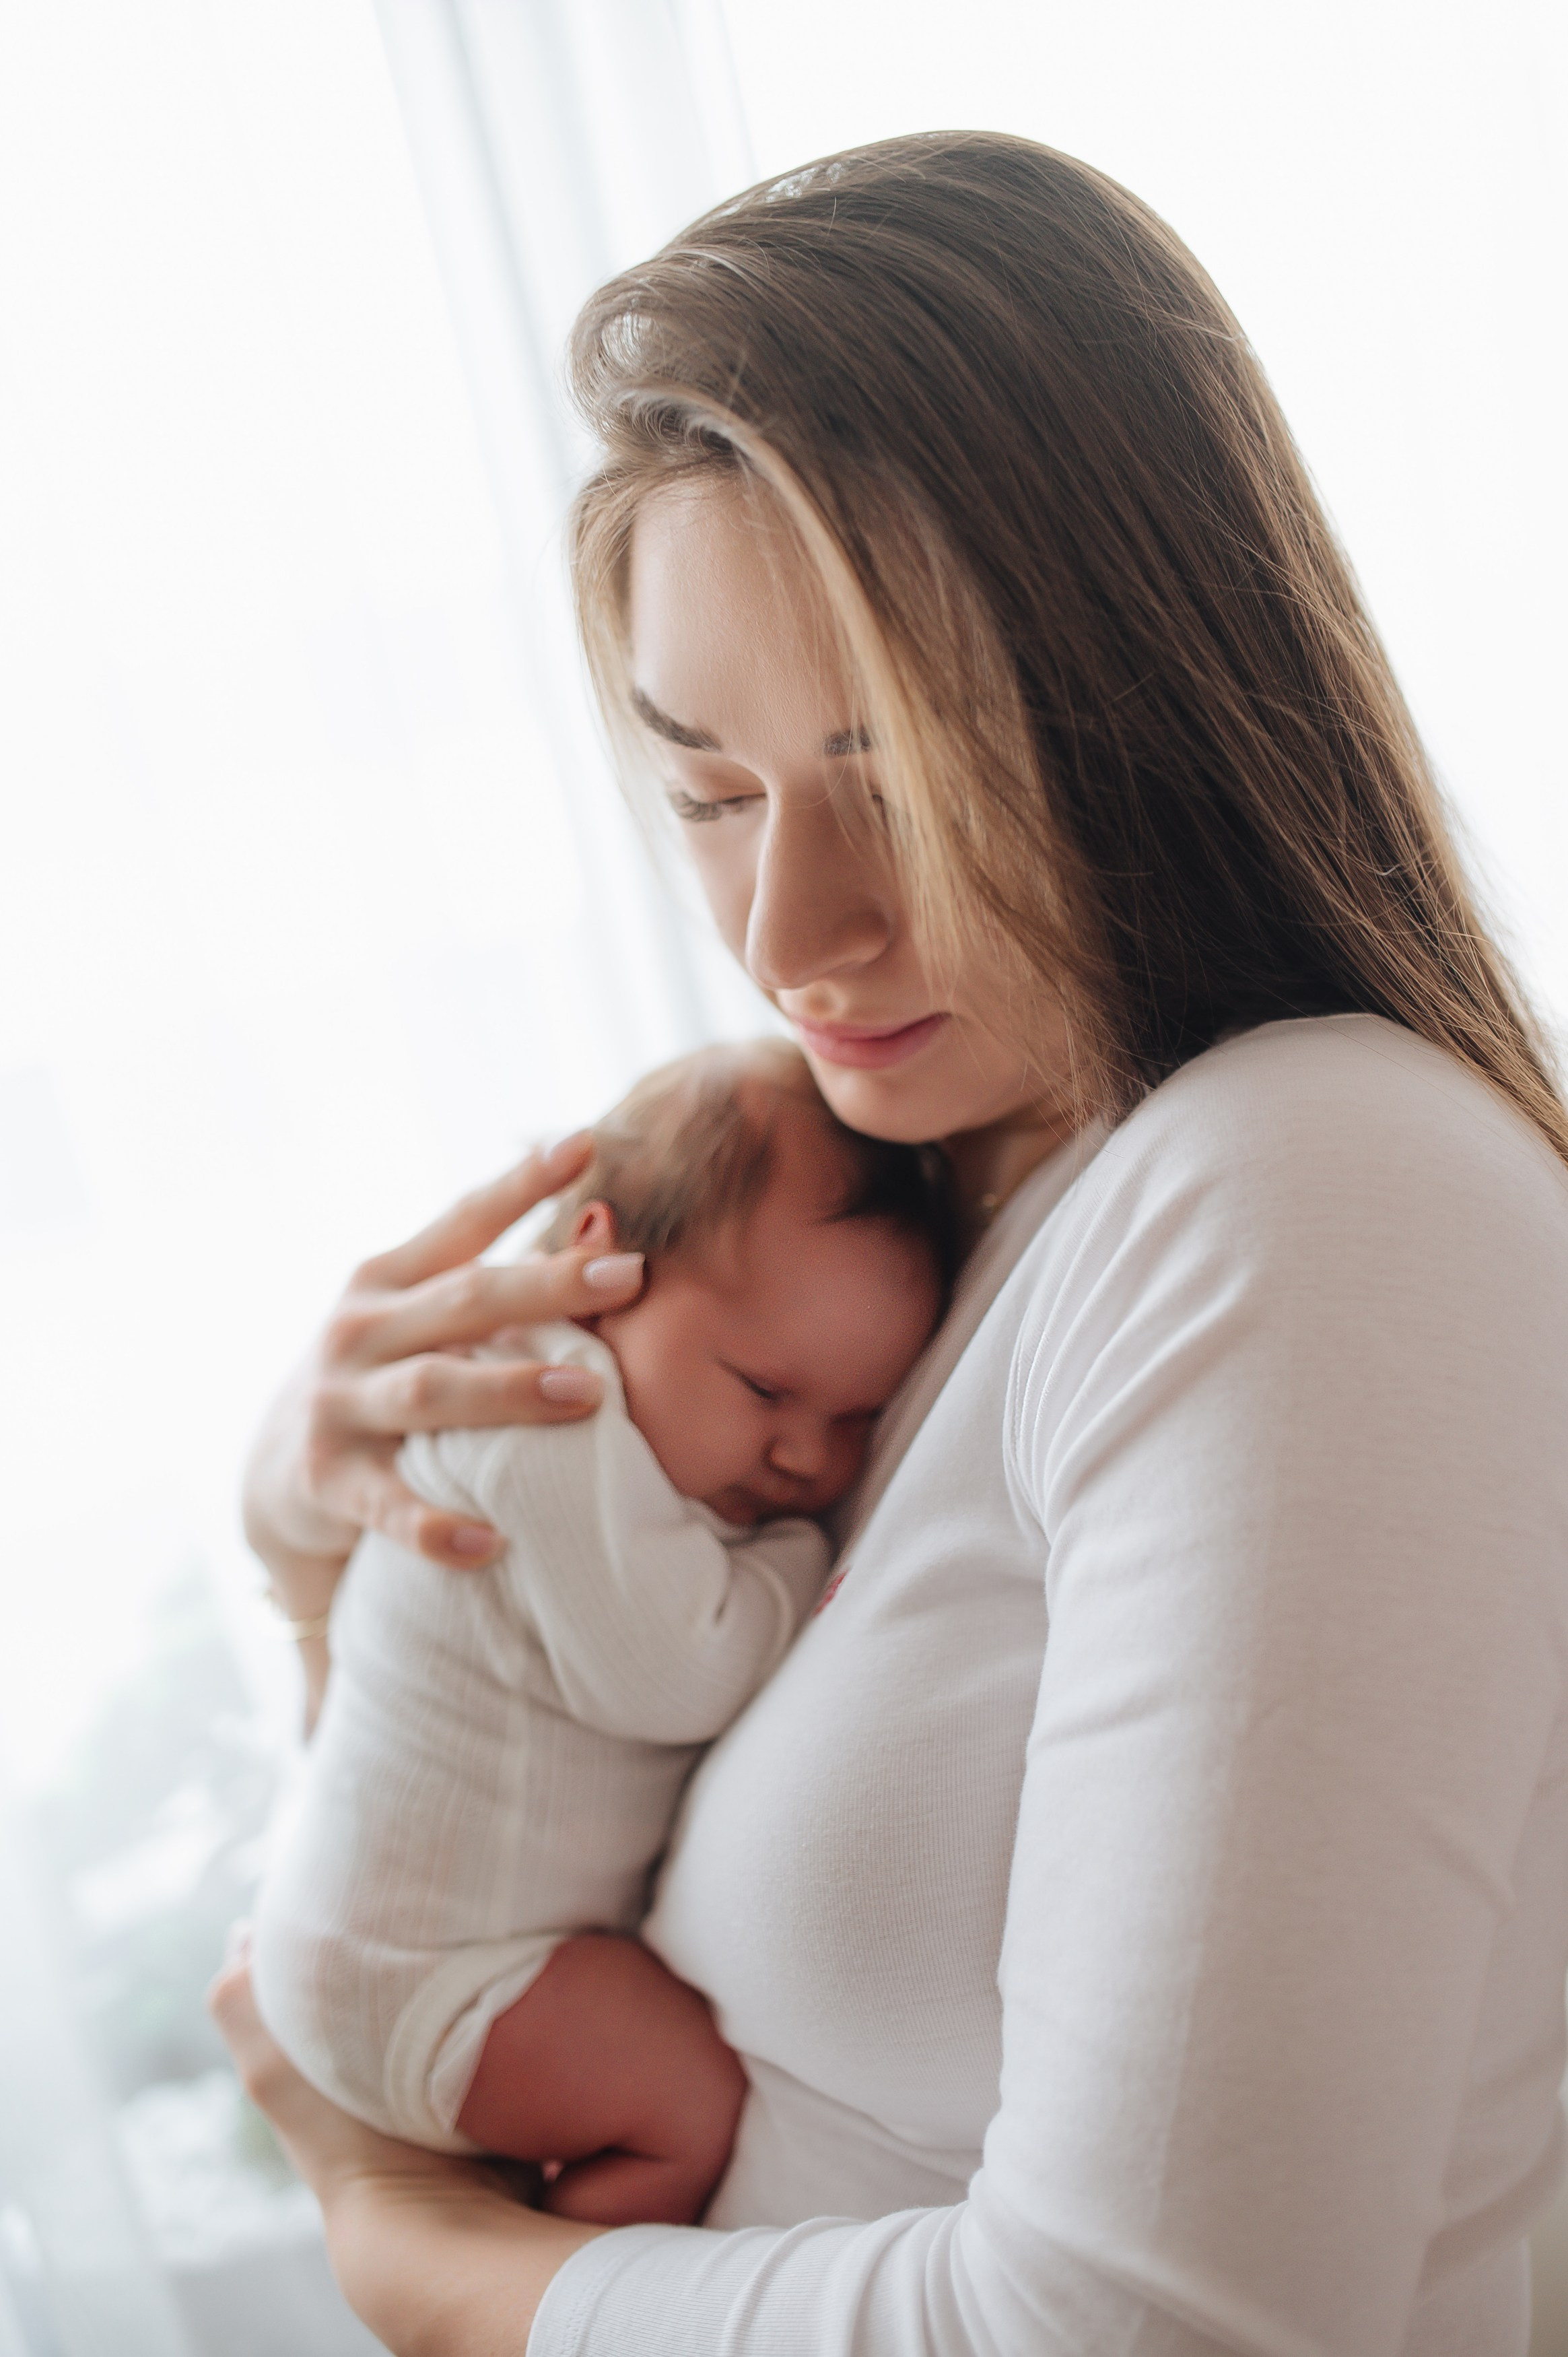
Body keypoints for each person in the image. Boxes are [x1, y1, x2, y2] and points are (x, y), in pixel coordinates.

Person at [213, 131, 1568, 2357]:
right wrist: (333, 1557)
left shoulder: (1317, 1194)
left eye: (904, 774)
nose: (789, 937)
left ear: (1172, 701)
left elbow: (1166, 2331)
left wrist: (434, 2267)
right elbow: (493, 1889)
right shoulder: (876, 1253)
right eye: (711, 793)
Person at [247, 1041, 949, 2226]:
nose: (809, 1462)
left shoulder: (592, 1413)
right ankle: (555, 2264)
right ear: (600, 1269)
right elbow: (687, 1674)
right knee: (687, 2105)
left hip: (381, 1951)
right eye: (766, 1390)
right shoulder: (553, 1420)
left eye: (858, 1419)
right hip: (424, 1979)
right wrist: (804, 1558)